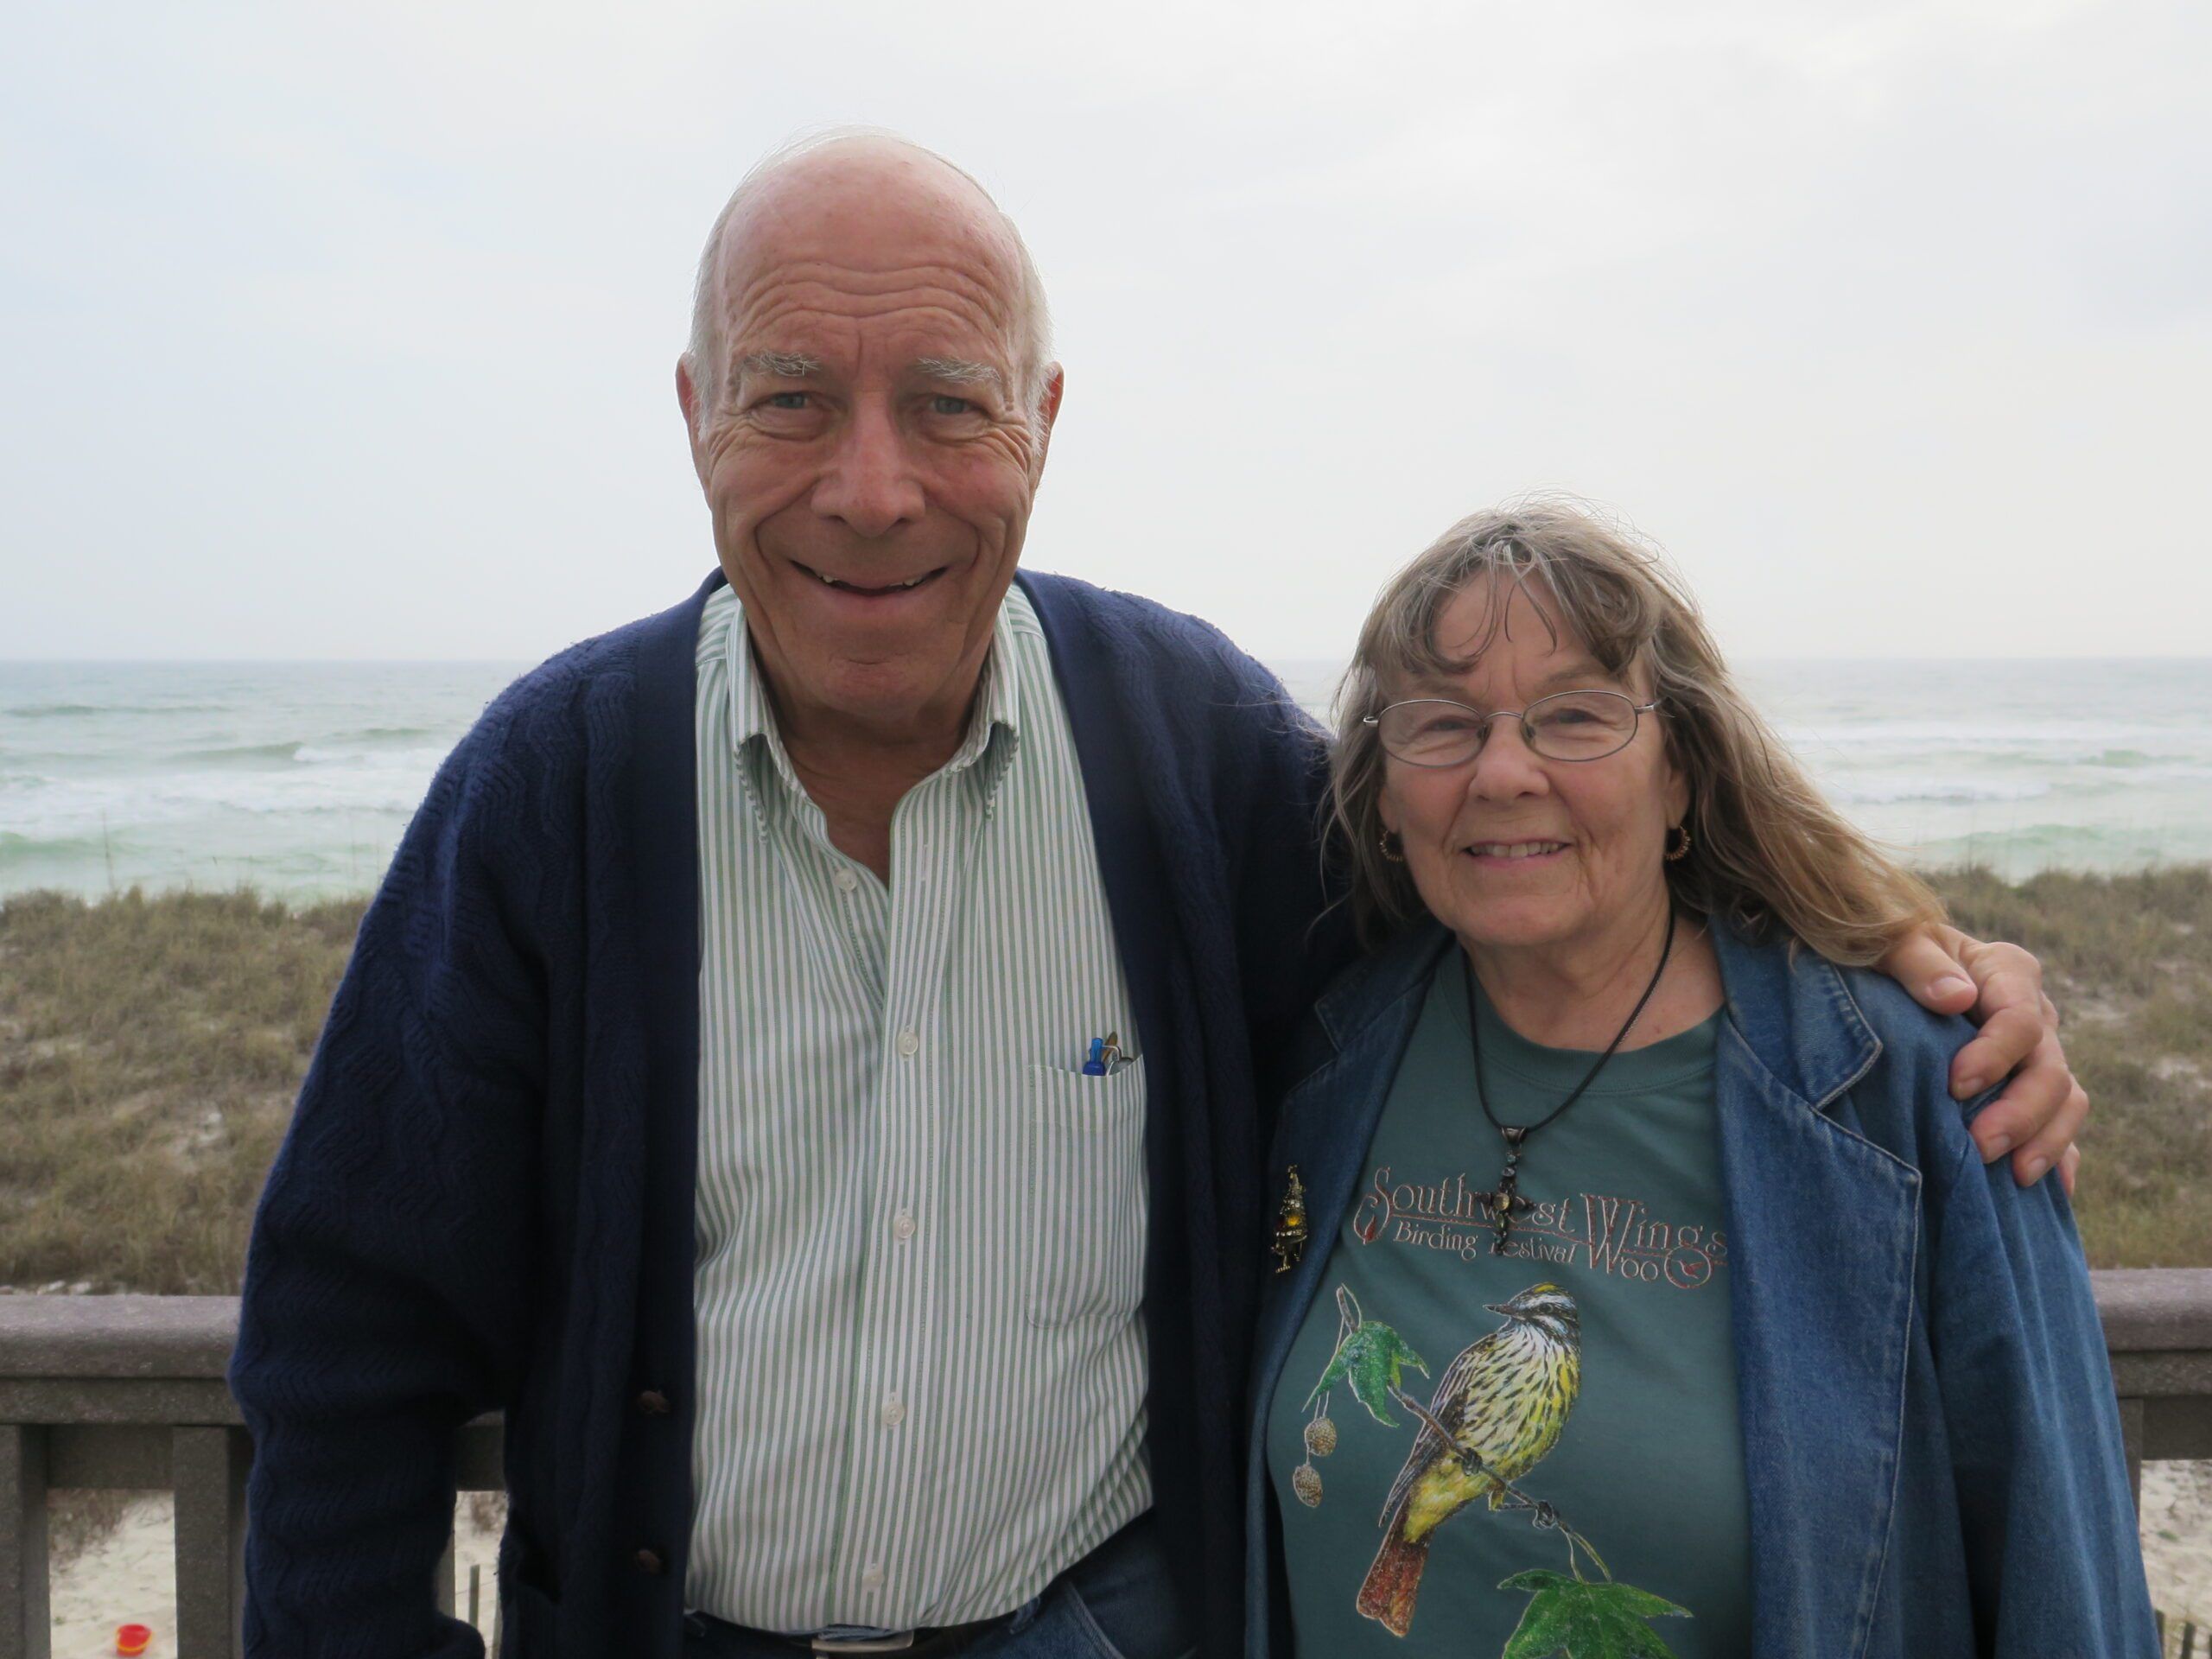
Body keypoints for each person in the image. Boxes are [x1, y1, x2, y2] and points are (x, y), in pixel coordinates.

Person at [226, 133, 2088, 1659]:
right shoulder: (549, 789)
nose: (870, 488)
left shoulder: (1188, 750)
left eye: (945, 404)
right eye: (791, 399)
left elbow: (1513, 867)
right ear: (696, 413)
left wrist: (1897, 974)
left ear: (1040, 421)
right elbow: (346, 1336)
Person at [1244, 502, 2155, 1657]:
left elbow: (2061, 1584)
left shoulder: (1913, 1092)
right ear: (1384, 791)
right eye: (1443, 725)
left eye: (1576, 716)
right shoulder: (1328, 1059)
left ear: (1680, 771)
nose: (1504, 771)